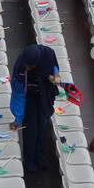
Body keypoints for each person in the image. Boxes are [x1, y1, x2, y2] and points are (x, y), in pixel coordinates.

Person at [9, 44, 60, 172]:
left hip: (45, 94)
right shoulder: (20, 68)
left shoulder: (48, 54)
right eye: (26, 65)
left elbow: (53, 66)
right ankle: (29, 161)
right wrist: (18, 118)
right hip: (29, 97)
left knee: (42, 127)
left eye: (30, 66)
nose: (27, 68)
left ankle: (40, 158)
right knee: (30, 129)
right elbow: (18, 95)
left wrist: (56, 74)